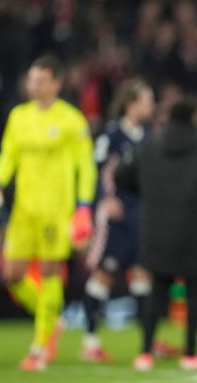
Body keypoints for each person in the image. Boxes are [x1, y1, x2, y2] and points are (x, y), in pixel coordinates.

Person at [0, 56, 97, 371]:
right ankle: (51, 319)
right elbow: (8, 155)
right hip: (24, 210)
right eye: (32, 79)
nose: (34, 85)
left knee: (49, 272)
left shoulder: (71, 120)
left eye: (41, 80)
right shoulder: (19, 116)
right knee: (13, 275)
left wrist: (84, 207)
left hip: (56, 211)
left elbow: (86, 167)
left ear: (56, 83)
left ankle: (39, 346)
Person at [117, 100, 197, 372]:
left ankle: (145, 353)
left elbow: (122, 176)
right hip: (191, 229)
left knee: (157, 291)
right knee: (194, 294)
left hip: (155, 229)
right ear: (192, 118)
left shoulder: (150, 147)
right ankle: (190, 353)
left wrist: (144, 194)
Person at [81, 79, 155, 362]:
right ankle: (89, 341)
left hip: (140, 215)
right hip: (114, 217)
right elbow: (94, 169)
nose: (151, 106)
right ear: (130, 103)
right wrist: (104, 198)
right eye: (147, 100)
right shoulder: (111, 136)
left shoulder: (147, 137)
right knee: (103, 274)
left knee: (142, 275)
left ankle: (147, 340)